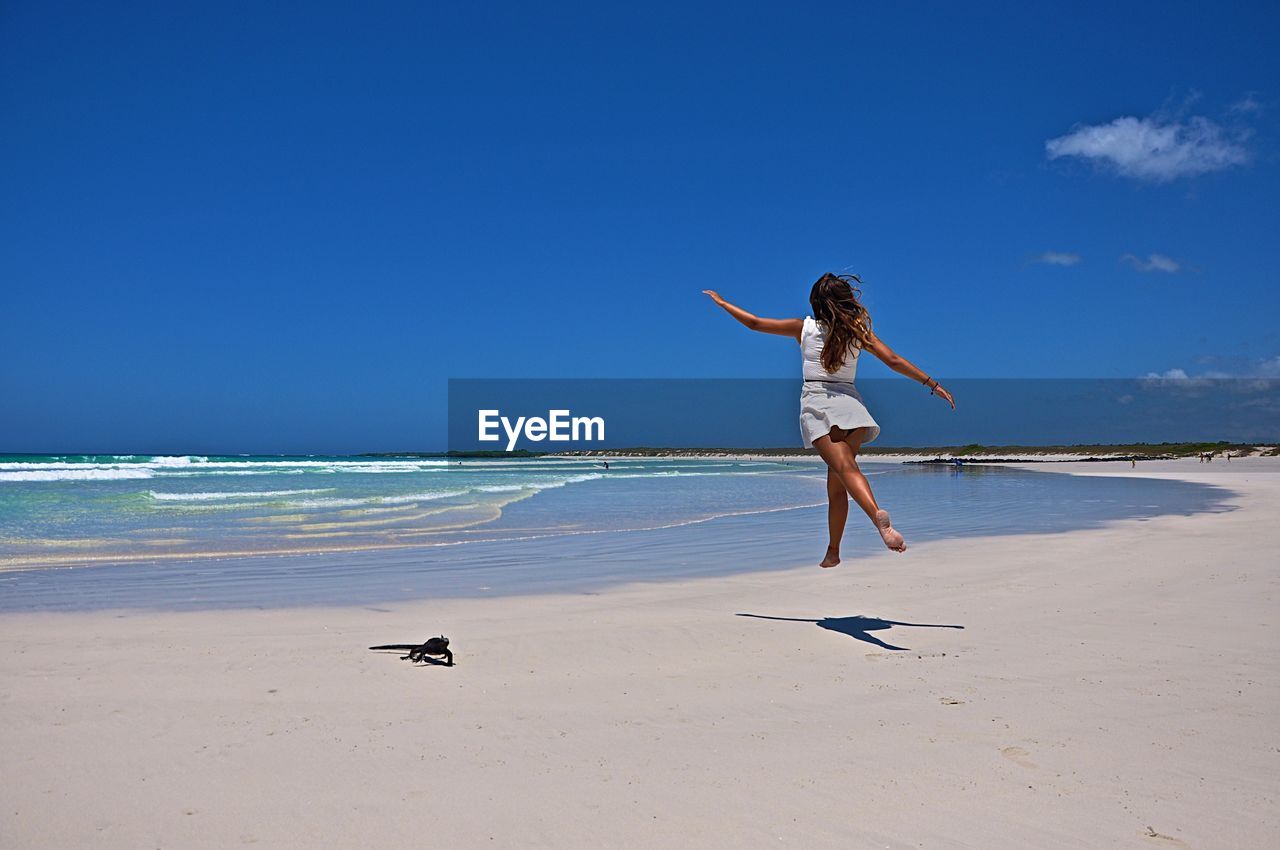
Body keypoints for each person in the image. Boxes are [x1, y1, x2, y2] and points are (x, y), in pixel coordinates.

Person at [704, 273, 954, 567]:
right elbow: (894, 360)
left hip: (820, 405)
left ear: (816, 302)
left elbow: (755, 323)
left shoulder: (804, 328)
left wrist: (723, 304)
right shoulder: (858, 332)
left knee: (845, 470)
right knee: (836, 485)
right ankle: (833, 550)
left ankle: (878, 518)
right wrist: (931, 384)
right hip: (853, 409)